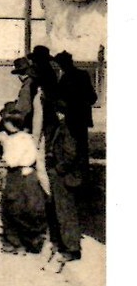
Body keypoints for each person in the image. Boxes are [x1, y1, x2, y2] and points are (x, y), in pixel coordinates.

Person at [0, 103, 48, 256]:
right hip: (29, 174)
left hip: (16, 175)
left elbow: (10, 160)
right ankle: (30, 240)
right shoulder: (27, 138)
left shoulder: (13, 141)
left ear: (9, 124)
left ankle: (14, 243)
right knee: (27, 208)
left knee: (10, 209)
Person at [43, 99, 83, 269]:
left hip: (64, 177)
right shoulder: (63, 126)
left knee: (65, 212)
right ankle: (67, 245)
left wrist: (58, 169)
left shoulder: (67, 129)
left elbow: (70, 154)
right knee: (61, 211)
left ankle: (71, 248)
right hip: (60, 175)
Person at [53, 50, 97, 187]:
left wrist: (66, 106)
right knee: (82, 147)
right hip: (82, 118)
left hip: (72, 118)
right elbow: (92, 97)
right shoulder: (83, 75)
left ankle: (74, 178)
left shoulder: (66, 78)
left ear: (63, 64)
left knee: (71, 147)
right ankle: (84, 179)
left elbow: (58, 99)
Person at [11, 56, 38, 128]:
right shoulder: (33, 82)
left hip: (27, 125)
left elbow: (23, 110)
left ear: (20, 74)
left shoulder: (26, 87)